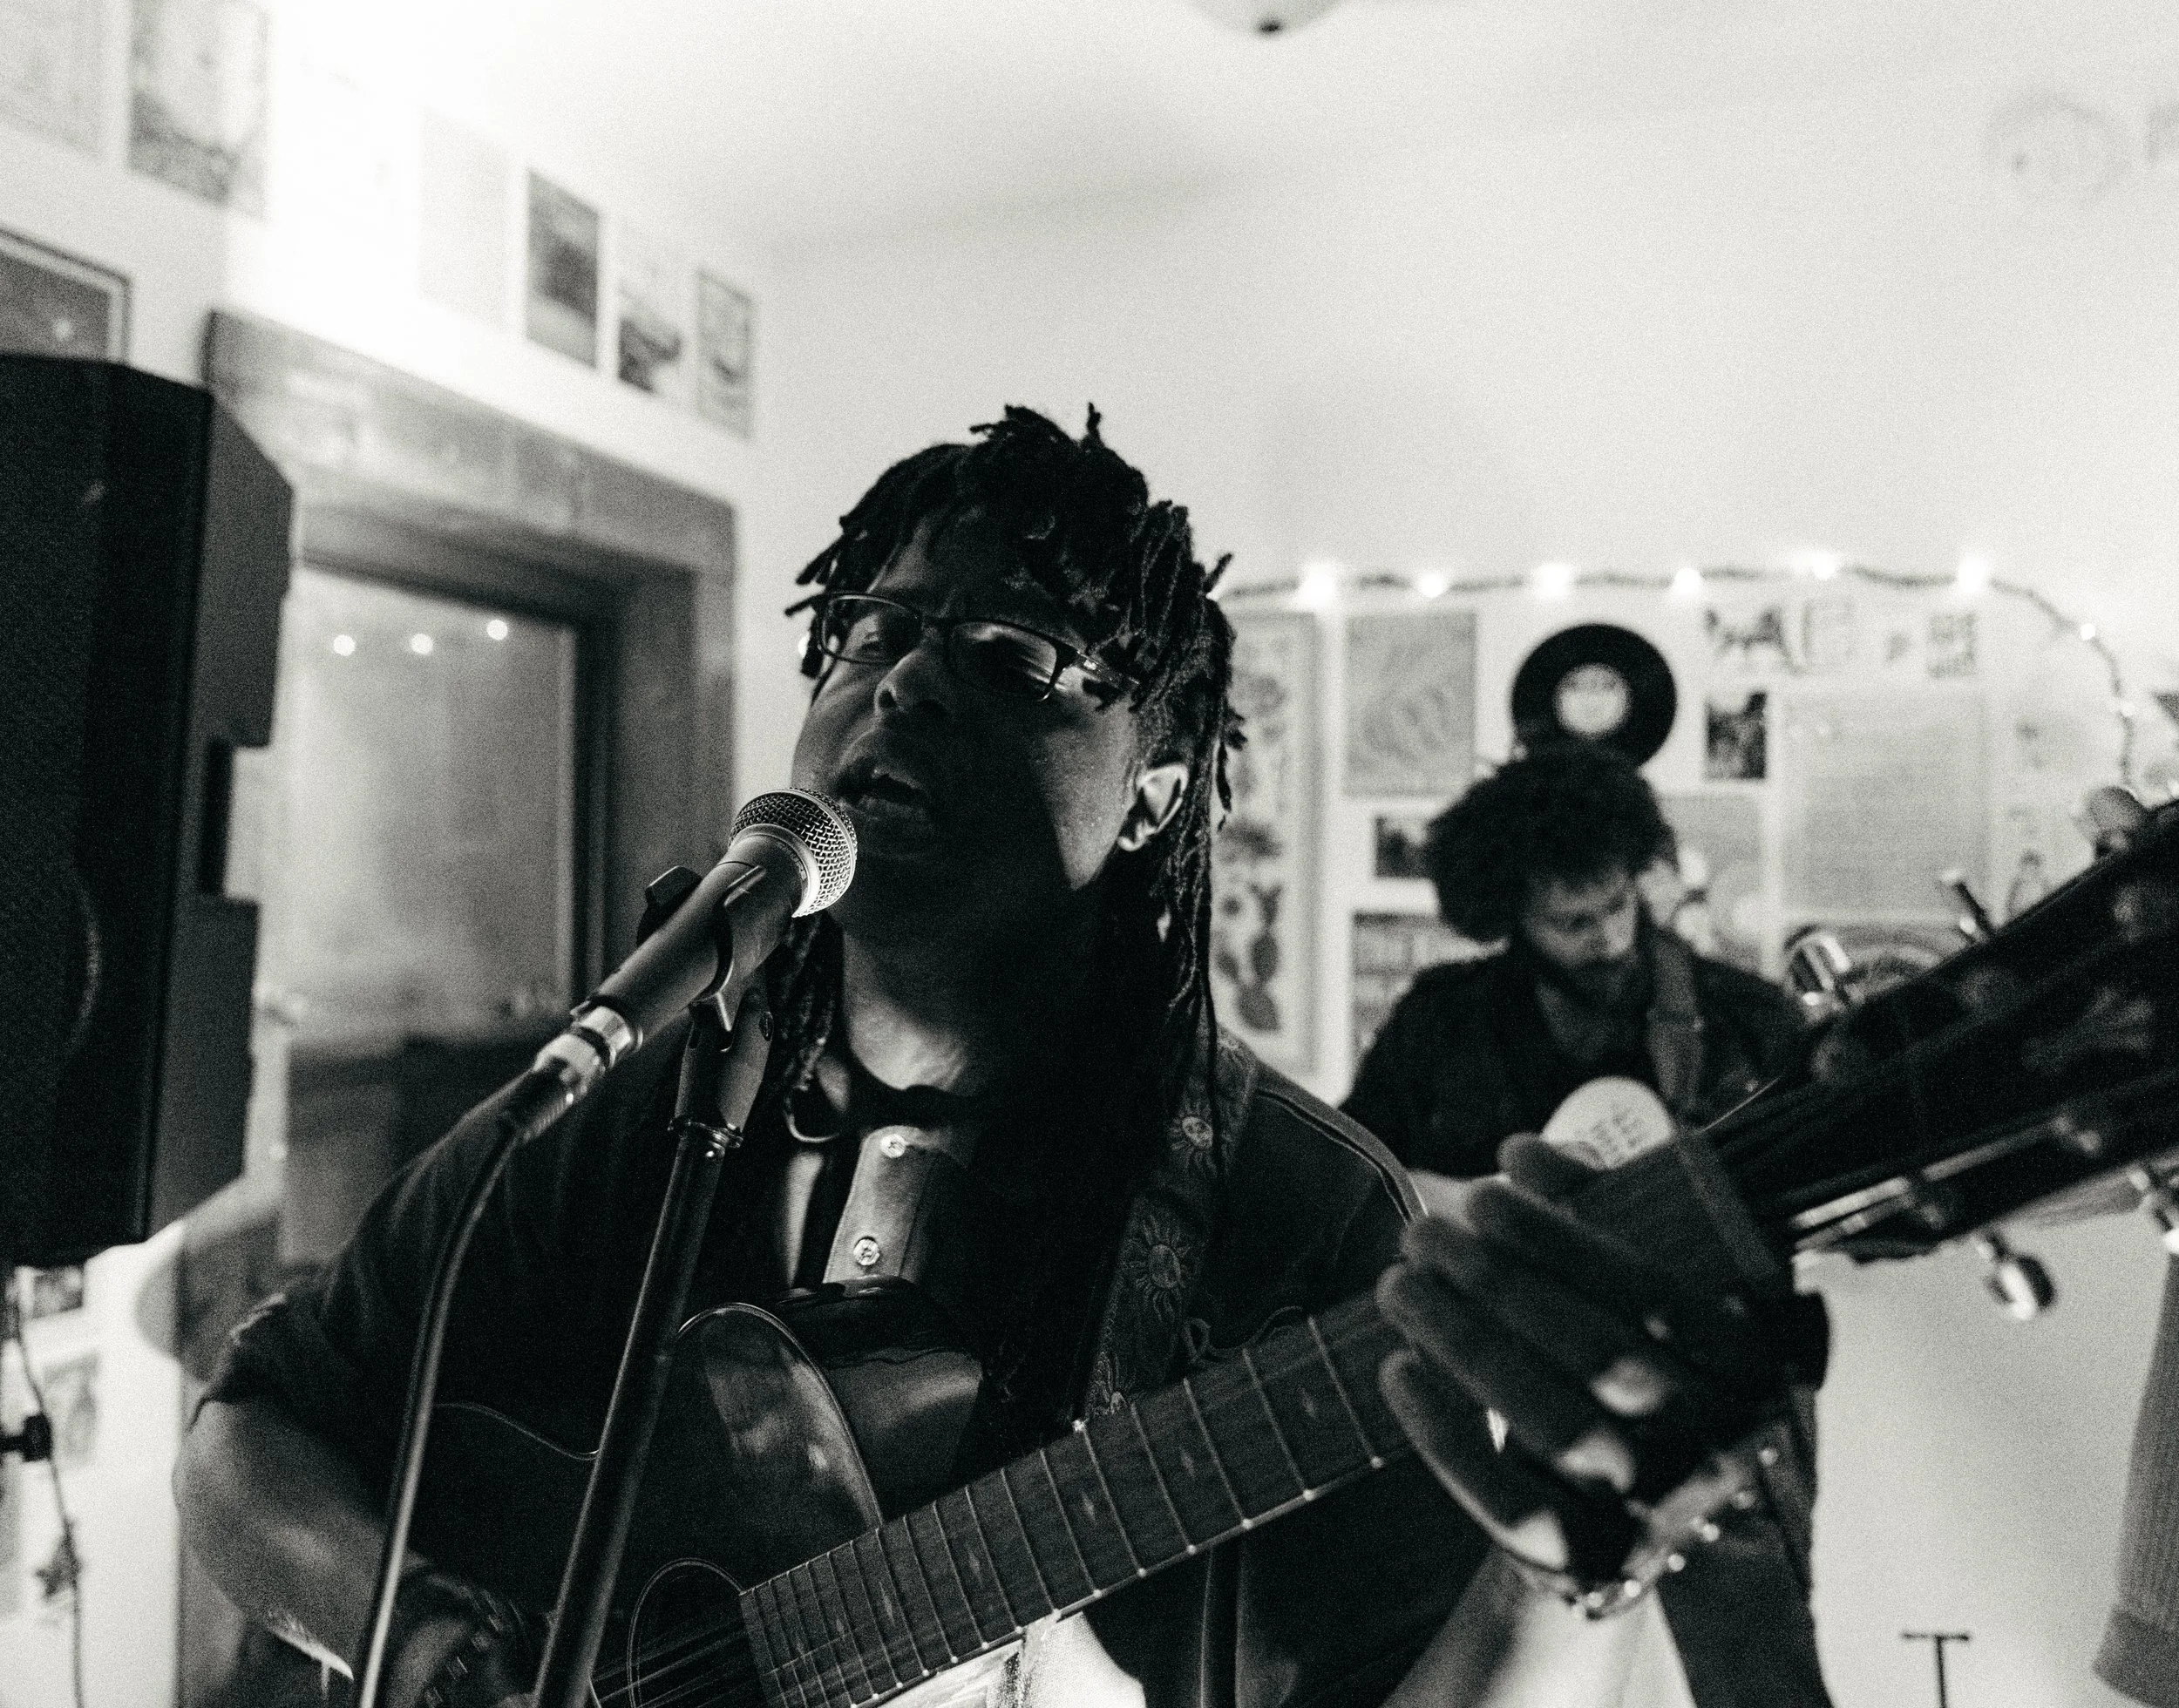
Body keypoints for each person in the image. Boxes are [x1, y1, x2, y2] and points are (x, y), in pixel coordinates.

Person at [174, 409, 1830, 1707]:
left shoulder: (1302, 1220)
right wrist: (413, 1642)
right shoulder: (633, 1101)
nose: (905, 681)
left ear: (1159, 792)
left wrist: (1558, 1573)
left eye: (1014, 657)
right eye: (871, 631)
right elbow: (251, 1437)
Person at [1343, 741, 1807, 1178]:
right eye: (1575, 924)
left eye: (1619, 904)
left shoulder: (1748, 1017)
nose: (1613, 941)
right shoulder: (1438, 1024)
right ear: (1514, 916)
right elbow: (1349, 1173)